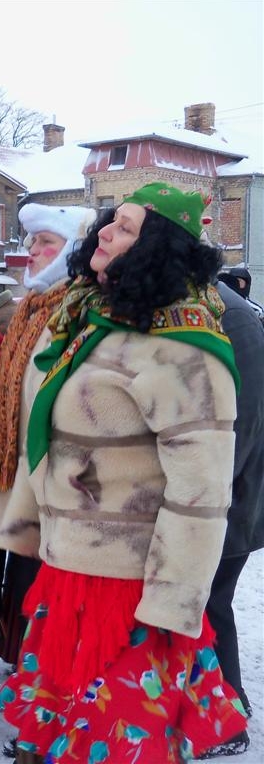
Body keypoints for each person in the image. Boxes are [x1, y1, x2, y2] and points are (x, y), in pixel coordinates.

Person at [0, 183, 248, 763]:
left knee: (114, 746)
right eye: (111, 221)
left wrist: (170, 606)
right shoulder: (93, 324)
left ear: (160, 249)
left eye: (126, 227)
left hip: (129, 596)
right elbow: (49, 442)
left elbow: (201, 495)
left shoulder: (186, 353)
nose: (105, 231)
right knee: (59, 741)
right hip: (68, 576)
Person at [0, 203, 95, 673]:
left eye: (48, 243)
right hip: (17, 471)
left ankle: (38, 693)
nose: (34, 252)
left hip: (48, 479)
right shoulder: (32, 308)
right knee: (21, 581)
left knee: (37, 586)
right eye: (33, 243)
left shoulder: (76, 310)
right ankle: (24, 675)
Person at [199, 278, 264, 757]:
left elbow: (241, 424)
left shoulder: (232, 317)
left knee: (210, 605)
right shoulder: (216, 306)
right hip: (221, 498)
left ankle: (227, 720)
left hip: (229, 502)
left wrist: (207, 501)